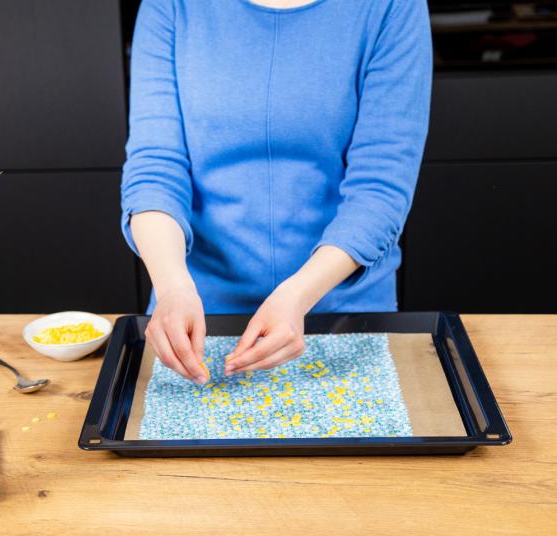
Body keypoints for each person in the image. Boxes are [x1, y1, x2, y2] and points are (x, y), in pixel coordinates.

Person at [120, 0, 432, 384]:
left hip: (341, 314)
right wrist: (172, 286)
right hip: (195, 319)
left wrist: (299, 296)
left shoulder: (392, 7)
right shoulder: (170, 6)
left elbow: (380, 187)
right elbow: (156, 167)